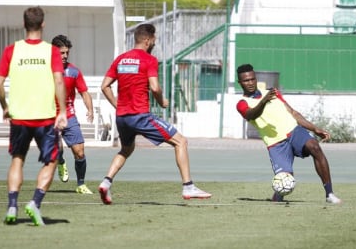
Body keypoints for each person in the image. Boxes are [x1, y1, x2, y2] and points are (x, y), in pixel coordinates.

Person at [98, 23, 211, 204]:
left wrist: (117, 106)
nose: (154, 43)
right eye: (154, 40)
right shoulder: (148, 60)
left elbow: (104, 86)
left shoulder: (120, 59)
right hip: (140, 115)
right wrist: (162, 101)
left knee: (126, 149)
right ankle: (188, 186)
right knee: (181, 141)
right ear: (148, 40)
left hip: (122, 117)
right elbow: (155, 87)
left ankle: (106, 182)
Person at [0, 6, 68, 226]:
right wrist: (63, 111)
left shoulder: (11, 50)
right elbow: (58, 80)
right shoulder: (51, 51)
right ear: (43, 24)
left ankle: (12, 205)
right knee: (52, 160)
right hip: (45, 117)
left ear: (24, 24)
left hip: (19, 117)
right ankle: (35, 202)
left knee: (18, 159)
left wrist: (5, 106)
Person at [236, 63, 341, 204]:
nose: (250, 83)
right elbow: (252, 115)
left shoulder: (273, 93)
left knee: (314, 147)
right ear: (240, 83)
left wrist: (314, 128)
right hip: (276, 144)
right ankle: (277, 197)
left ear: (256, 79)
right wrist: (263, 101)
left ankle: (329, 194)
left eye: (252, 79)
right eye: (246, 80)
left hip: (294, 131)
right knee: (286, 180)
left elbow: (293, 113)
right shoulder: (242, 103)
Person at [51, 35, 94, 194]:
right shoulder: (44, 71)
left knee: (80, 152)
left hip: (69, 115)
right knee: (58, 149)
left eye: (66, 53)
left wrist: (90, 109)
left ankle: (81, 184)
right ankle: (61, 161)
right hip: (50, 116)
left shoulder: (74, 71)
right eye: (61, 53)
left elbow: (84, 92)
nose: (65, 56)